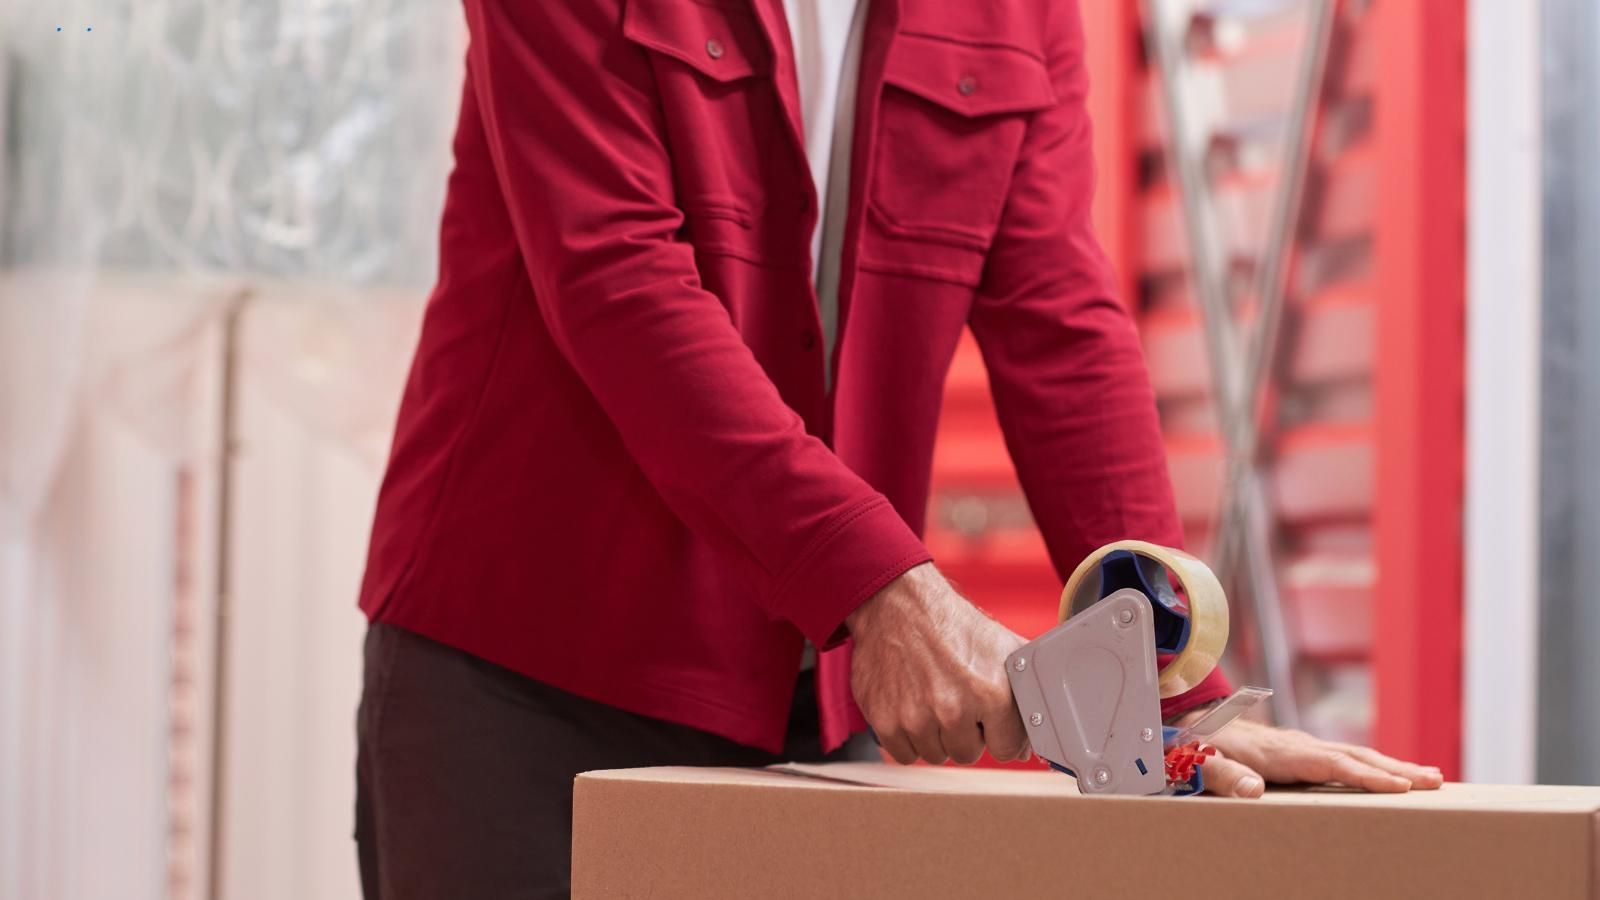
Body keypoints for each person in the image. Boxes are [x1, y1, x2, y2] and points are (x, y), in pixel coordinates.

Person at [352, 0, 1443, 896]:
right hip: (530, 671)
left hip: (815, 689)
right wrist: (882, 591)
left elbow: (1058, 323)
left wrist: (1171, 688)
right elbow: (615, 280)